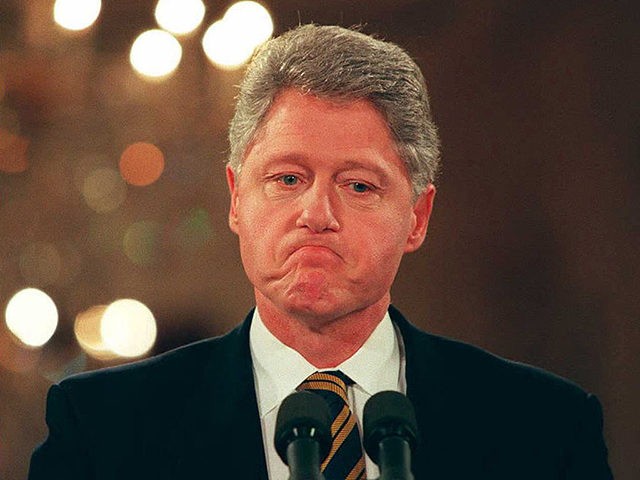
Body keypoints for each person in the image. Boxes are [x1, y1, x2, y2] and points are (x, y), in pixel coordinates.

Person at [29, 24, 613, 479]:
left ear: (417, 216)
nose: (316, 214)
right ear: (236, 199)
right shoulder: (102, 430)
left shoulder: (545, 428)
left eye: (358, 185)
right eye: (287, 179)